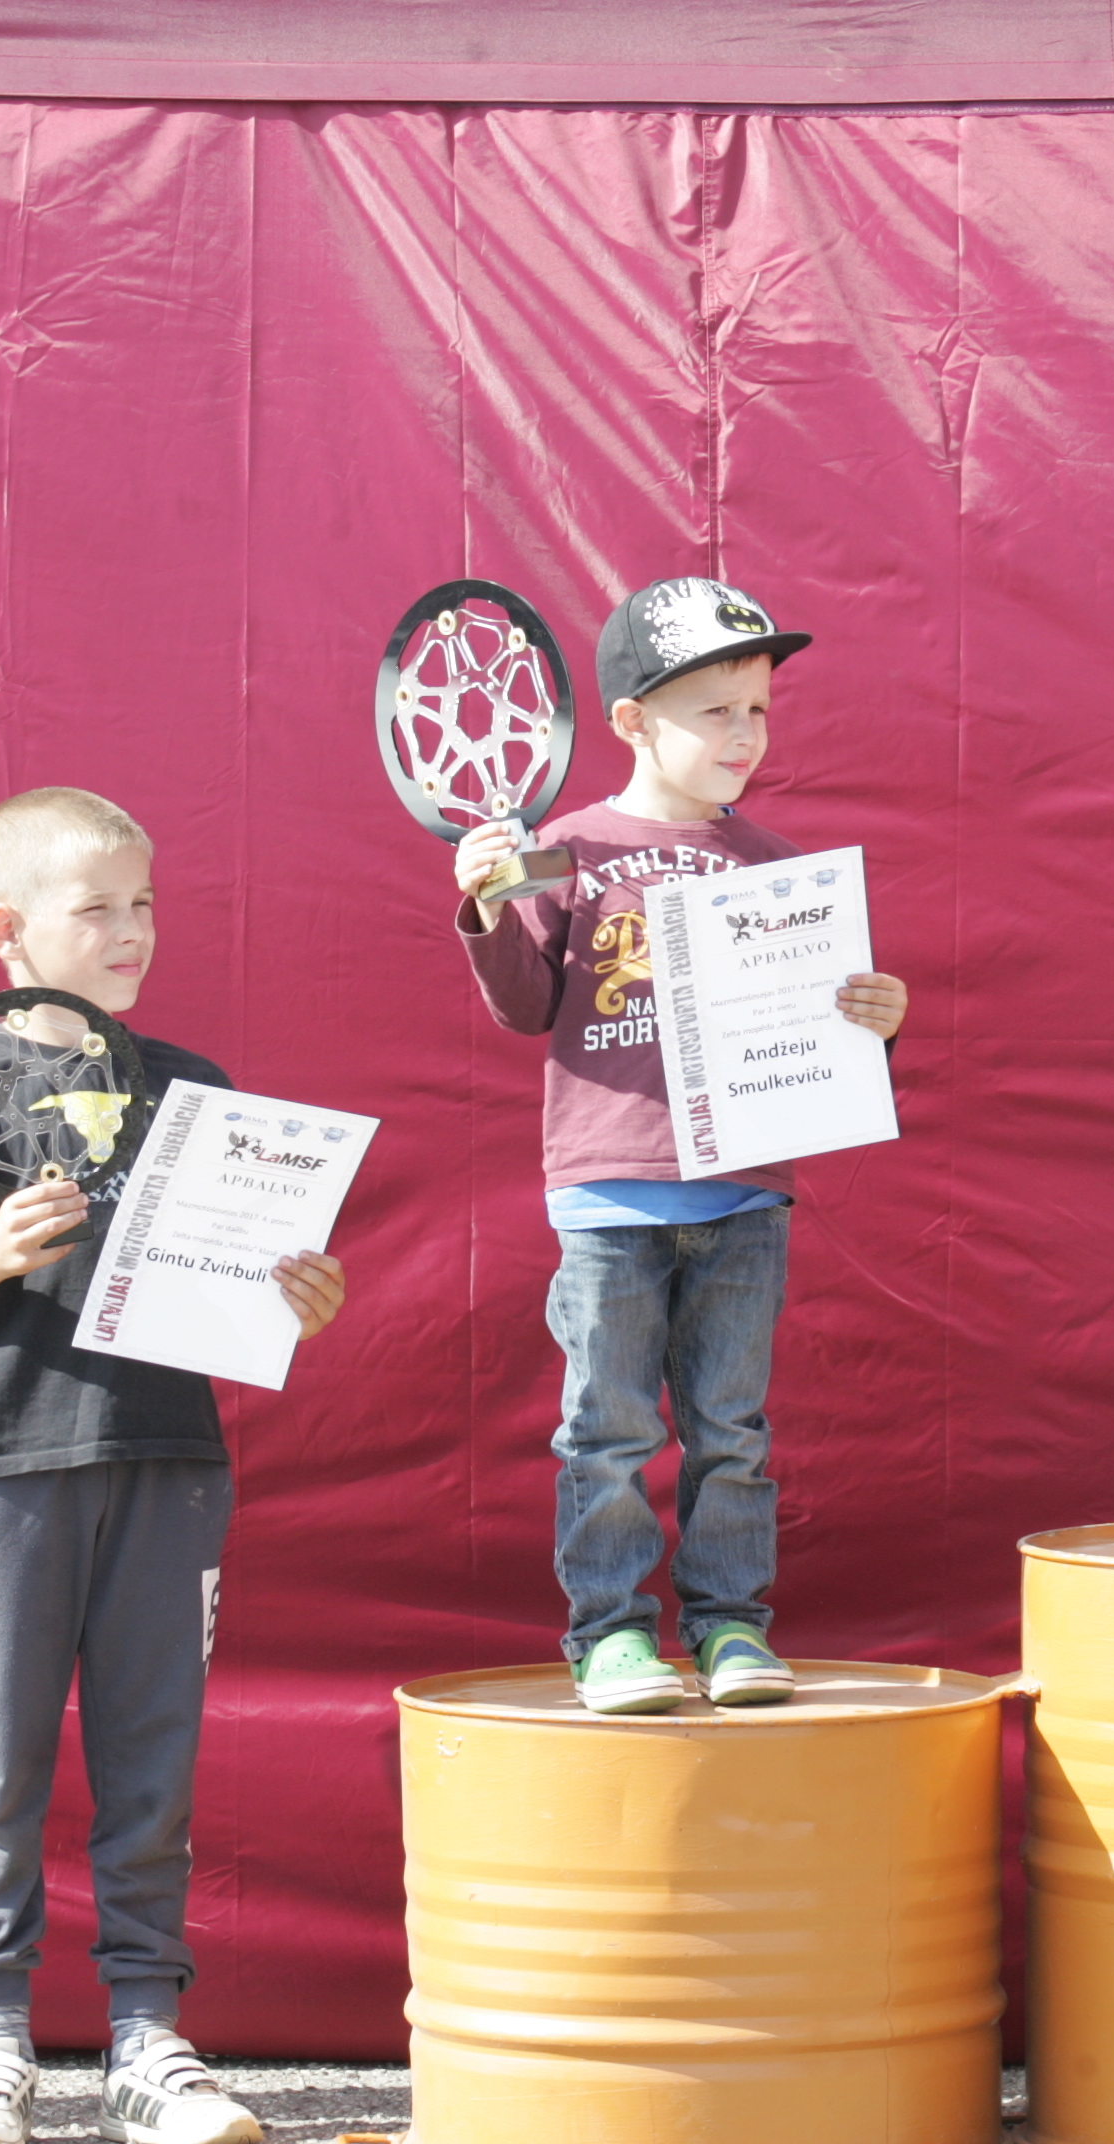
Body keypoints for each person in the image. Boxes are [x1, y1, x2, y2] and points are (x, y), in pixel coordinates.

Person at [0, 788, 348, 2144]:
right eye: (97, 908)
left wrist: (298, 1297)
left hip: (168, 1457)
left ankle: (148, 2033)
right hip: (5, 1464)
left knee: (152, 1753)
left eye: (144, 903)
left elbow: (249, 1284)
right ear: (9, 929)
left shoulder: (194, 1085)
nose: (132, 929)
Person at [455, 577, 909, 1715]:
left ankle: (730, 1626)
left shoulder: (778, 864)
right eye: (715, 711)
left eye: (757, 710)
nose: (744, 734)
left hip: (744, 1197)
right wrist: (487, 908)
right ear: (631, 721)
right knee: (605, 1430)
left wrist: (873, 1020)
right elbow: (524, 1006)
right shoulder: (563, 849)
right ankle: (611, 1635)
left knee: (731, 1432)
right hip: (609, 1194)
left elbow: (821, 1044)